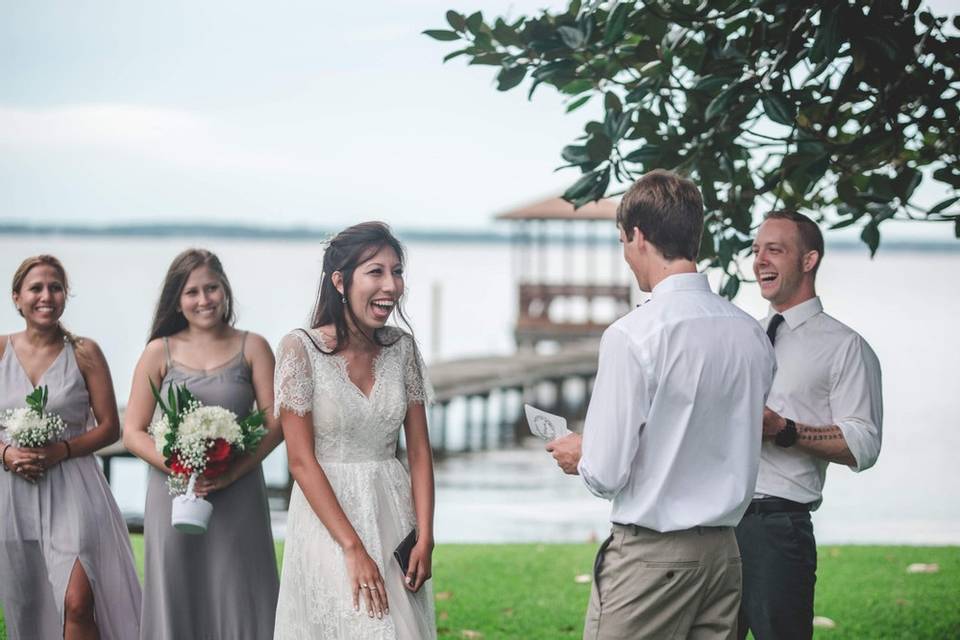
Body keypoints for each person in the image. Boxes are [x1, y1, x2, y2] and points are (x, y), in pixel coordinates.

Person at [547, 170, 777, 640]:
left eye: (622, 240)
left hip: (652, 559)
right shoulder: (750, 333)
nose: (626, 255)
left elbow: (605, 474)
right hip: (725, 554)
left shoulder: (632, 336)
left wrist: (580, 455)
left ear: (638, 236)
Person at [273, 221, 436, 640]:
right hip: (328, 519)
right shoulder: (300, 349)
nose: (391, 285)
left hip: (393, 515)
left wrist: (426, 536)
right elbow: (300, 460)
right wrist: (352, 547)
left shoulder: (403, 348)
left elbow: (418, 452)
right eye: (376, 272)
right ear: (340, 281)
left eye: (397, 271)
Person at [123, 248, 283, 640]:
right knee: (179, 590)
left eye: (211, 288)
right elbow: (133, 431)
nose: (203, 299)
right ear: (177, 299)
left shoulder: (254, 346)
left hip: (239, 492)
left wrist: (231, 474)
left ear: (225, 290)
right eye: (192, 292)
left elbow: (275, 422)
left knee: (243, 590)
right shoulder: (158, 351)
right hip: (174, 494)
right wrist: (181, 464)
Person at [738, 211, 883, 640]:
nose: (760, 260)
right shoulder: (743, 337)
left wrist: (784, 429)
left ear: (809, 260)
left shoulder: (845, 347)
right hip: (716, 525)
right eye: (756, 250)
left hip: (777, 530)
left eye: (775, 250)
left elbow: (865, 443)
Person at [0, 255, 141, 639]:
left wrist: (60, 450)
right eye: (36, 288)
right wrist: (6, 453)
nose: (46, 296)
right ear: (17, 298)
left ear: (65, 296)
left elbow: (111, 427)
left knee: (78, 599)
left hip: (73, 488)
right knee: (28, 602)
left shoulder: (84, 352)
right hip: (13, 494)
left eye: (56, 287)